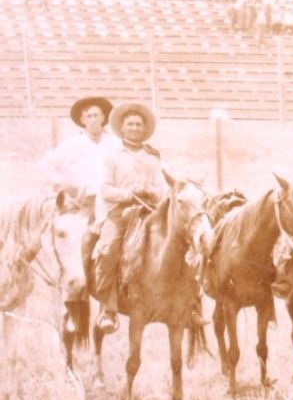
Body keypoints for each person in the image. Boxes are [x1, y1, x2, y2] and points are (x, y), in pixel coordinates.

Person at [93, 103, 199, 332]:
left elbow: (161, 187)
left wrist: (152, 192)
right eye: (129, 124)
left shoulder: (152, 156)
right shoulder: (111, 156)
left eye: (138, 125)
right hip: (119, 213)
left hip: (149, 211)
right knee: (109, 249)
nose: (134, 128)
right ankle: (108, 309)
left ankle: (190, 307)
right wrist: (127, 193)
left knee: (183, 244)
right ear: (121, 128)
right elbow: (104, 188)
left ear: (144, 129)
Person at [41, 96, 120, 333]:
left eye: (98, 115)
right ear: (82, 121)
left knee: (114, 248)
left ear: (105, 117)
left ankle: (110, 308)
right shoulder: (72, 145)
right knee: (77, 251)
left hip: (111, 203)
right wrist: (66, 186)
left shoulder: (115, 143)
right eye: (89, 116)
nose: (94, 120)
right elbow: (47, 165)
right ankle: (72, 309)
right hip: (83, 203)